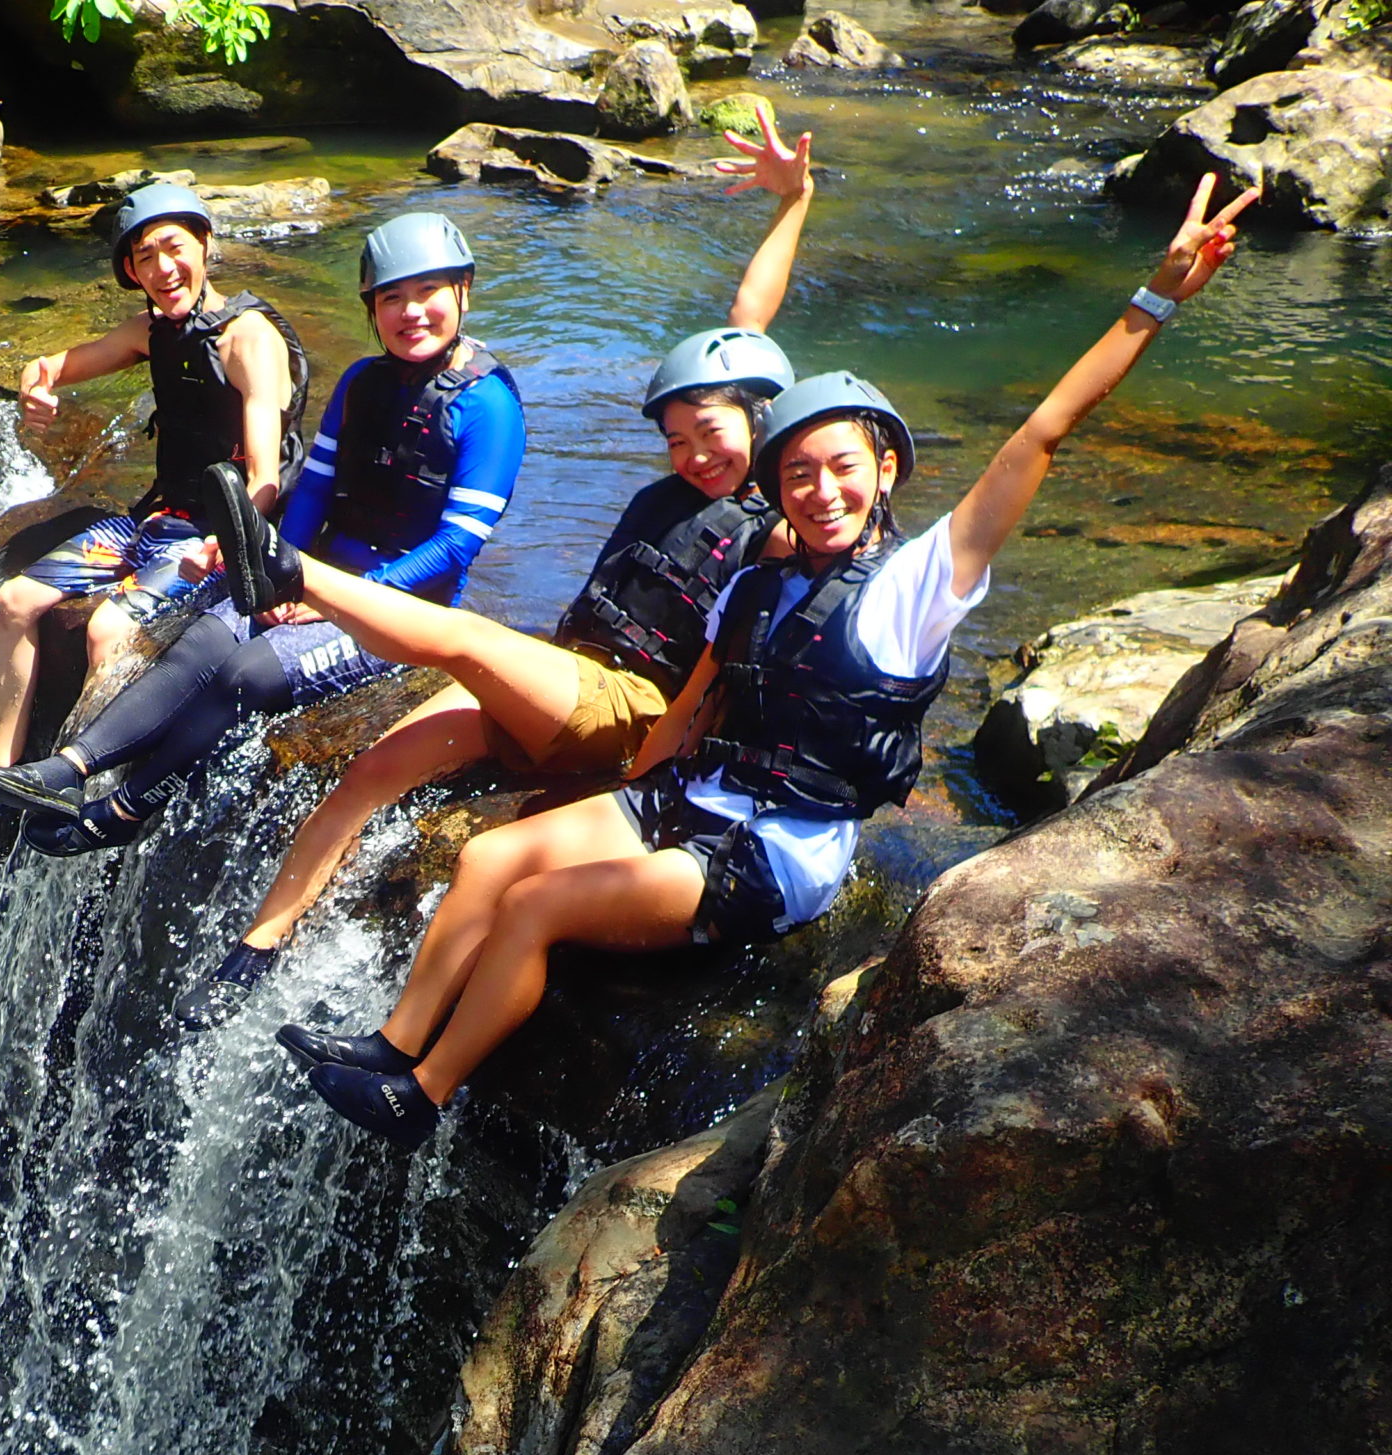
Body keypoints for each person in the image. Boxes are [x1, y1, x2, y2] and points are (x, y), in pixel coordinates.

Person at [196, 175, 1257, 1149]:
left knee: (534, 906)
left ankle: (421, 1097)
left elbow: (1041, 434)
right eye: (799, 474)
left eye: (843, 469)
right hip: (689, 794)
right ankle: (393, 1046)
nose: (821, 491)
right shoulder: (761, 577)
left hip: (777, 851)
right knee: (489, 862)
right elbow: (691, 706)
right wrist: (621, 796)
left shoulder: (915, 590)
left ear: (887, 468)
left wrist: (1154, 301)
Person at [183, 102, 819, 1021]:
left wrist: (658, 783)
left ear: (761, 422)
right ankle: (255, 951)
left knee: (464, 639)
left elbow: (740, 661)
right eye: (677, 439)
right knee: (371, 773)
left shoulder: (780, 524)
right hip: (562, 682)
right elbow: (744, 321)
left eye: (712, 432)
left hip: (625, 711)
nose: (693, 454)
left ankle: (290, 574)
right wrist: (793, 203)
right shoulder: (688, 483)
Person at [0, 211, 525, 855]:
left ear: (463, 290)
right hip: (320, 576)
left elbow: (457, 546)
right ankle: (67, 769)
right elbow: (311, 492)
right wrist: (283, 570)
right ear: (372, 309)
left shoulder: (489, 406)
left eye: (428, 292)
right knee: (206, 635)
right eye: (392, 298)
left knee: (248, 672)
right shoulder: (362, 382)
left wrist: (335, 593)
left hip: (405, 608)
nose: (412, 312)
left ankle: (121, 810)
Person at [0, 183, 309, 836]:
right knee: (15, 600)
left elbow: (265, 477)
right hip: (151, 521)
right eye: (144, 257)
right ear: (131, 271)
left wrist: (232, 547)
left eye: (174, 248)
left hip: (209, 537)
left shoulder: (249, 340)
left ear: (205, 245)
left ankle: (86, 787)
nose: (163, 269)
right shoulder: (150, 330)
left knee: (107, 630)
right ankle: (4, 775)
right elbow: (49, 365)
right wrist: (35, 387)